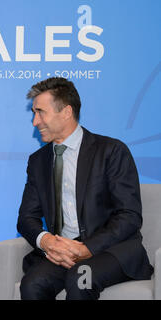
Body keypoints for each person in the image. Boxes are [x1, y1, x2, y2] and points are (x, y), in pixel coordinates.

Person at [17, 77, 153, 300]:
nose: (35, 121)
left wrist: (86, 248)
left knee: (81, 279)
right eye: (34, 113)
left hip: (110, 251)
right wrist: (48, 241)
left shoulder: (111, 151)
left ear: (66, 112)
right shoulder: (38, 161)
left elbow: (129, 215)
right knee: (32, 284)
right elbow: (26, 218)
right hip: (63, 253)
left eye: (40, 112)